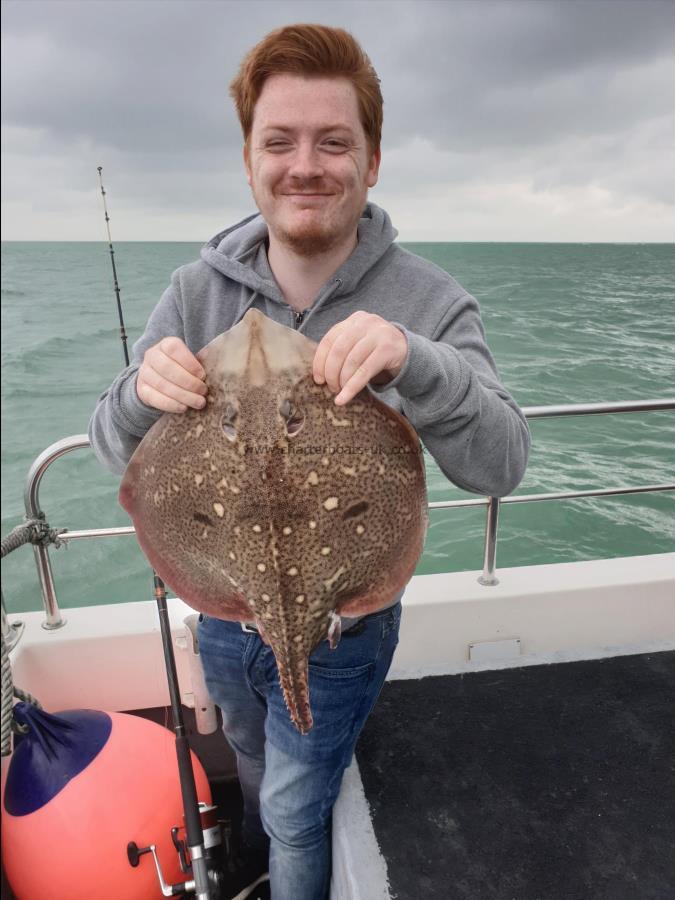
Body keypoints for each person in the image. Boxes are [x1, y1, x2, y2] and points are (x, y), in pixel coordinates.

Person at [89, 23, 530, 900]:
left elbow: (503, 464)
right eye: (278, 141)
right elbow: (114, 449)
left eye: (334, 141)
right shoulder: (193, 291)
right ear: (248, 157)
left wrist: (416, 360)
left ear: (371, 159)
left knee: (296, 802)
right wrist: (143, 392)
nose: (306, 165)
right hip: (223, 612)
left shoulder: (429, 300)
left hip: (343, 624)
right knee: (254, 762)